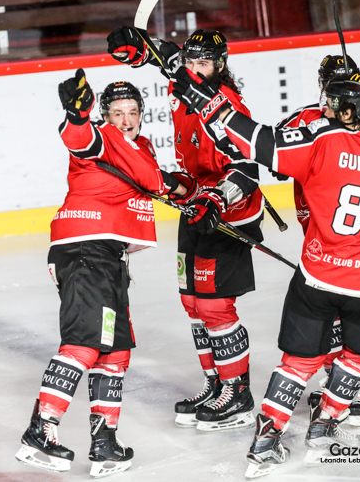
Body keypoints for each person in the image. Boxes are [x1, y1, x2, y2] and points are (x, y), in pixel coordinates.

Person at [170, 68, 360, 478]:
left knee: (298, 362)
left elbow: (255, 140)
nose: (326, 109)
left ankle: (267, 441)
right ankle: (326, 425)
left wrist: (207, 102)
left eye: (334, 104)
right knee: (359, 358)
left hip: (319, 277)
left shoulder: (324, 142)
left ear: (349, 111)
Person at [16, 70, 191, 477]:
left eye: (132, 112)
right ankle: (40, 431)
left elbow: (157, 181)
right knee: (83, 345)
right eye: (117, 113)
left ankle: (104, 443)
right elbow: (79, 138)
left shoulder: (140, 147)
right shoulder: (100, 138)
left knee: (115, 352)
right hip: (84, 250)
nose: (125, 120)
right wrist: (77, 115)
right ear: (105, 116)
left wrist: (189, 193)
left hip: (110, 257)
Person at [107, 27, 264, 432]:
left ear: (220, 65)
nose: (194, 68)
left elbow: (247, 170)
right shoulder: (186, 79)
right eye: (190, 61)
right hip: (195, 207)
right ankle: (216, 384)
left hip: (227, 215)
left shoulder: (226, 107)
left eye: (203, 63)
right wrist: (138, 44)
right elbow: (164, 56)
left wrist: (217, 199)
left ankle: (238, 394)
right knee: (192, 302)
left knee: (214, 306)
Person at [278, 54, 360, 428]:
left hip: (356, 239)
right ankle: (341, 382)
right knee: (330, 311)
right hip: (318, 232)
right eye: (330, 84)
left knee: (358, 310)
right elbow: (277, 154)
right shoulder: (303, 119)